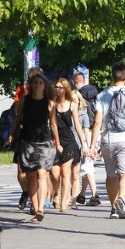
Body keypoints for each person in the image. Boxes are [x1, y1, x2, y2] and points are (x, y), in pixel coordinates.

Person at [90, 62, 125, 219]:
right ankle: (122, 200)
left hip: (109, 140)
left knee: (111, 175)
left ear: (112, 75)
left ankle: (114, 209)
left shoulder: (102, 95)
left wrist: (93, 145)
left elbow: (97, 122)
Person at [7, 73, 61, 222]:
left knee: (42, 174)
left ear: (44, 86)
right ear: (31, 85)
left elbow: (54, 124)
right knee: (31, 177)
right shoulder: (25, 100)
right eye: (35, 83)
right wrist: (11, 136)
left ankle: (40, 209)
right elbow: (17, 119)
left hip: (44, 142)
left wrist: (57, 142)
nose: (38, 85)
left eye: (40, 83)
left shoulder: (49, 103)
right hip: (27, 141)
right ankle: (35, 205)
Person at [51, 78, 85, 212]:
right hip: (55, 139)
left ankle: (64, 201)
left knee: (65, 172)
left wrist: (83, 143)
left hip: (69, 140)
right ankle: (56, 193)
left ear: (65, 89)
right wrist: (56, 142)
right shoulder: (52, 104)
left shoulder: (72, 104)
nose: (57, 89)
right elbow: (52, 124)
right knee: (54, 174)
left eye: (60, 87)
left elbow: (77, 124)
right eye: (56, 87)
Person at [74, 89, 100, 206]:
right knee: (85, 169)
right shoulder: (65, 110)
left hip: (82, 144)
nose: (73, 102)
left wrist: (89, 147)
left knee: (87, 167)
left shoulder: (83, 114)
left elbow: (86, 131)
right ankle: (82, 194)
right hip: (71, 143)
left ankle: (94, 194)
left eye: (76, 100)